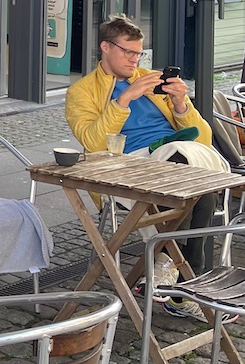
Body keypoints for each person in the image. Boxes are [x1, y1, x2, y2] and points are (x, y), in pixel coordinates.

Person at [65, 15, 221, 283]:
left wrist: (181, 104)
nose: (134, 60)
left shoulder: (151, 79)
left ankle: (171, 269)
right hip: (128, 164)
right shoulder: (82, 91)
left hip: (176, 154)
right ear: (106, 47)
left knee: (195, 181)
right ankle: (183, 280)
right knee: (195, 186)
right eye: (128, 52)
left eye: (138, 53)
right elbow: (93, 142)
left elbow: (203, 137)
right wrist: (124, 98)